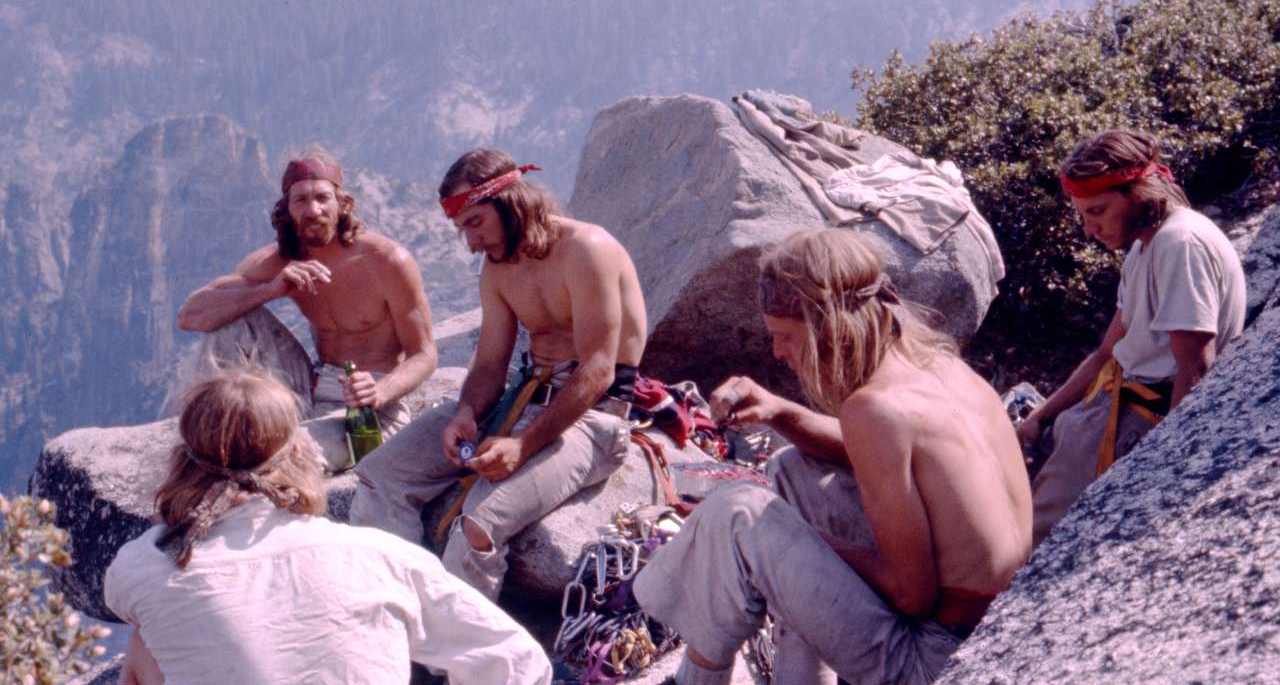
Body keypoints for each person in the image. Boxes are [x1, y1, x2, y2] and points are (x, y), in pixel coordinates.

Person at [632, 228, 1032, 685]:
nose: (779, 353)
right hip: (997, 629)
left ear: (831, 324)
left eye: (785, 336)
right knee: (792, 467)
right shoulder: (943, 368)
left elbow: (911, 595)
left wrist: (799, 542)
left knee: (737, 512)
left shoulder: (874, 410)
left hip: (935, 661)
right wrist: (781, 413)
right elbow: (895, 462)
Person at [104, 367, 552, 685]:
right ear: (299, 452)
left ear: (183, 460)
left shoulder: (145, 563)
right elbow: (517, 661)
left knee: (149, 635)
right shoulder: (378, 556)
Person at [349, 149, 648, 601]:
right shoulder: (498, 271)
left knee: (479, 525)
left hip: (593, 419)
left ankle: (466, 664)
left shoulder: (587, 249)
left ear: (510, 201)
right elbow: (490, 364)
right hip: (520, 400)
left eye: (475, 223)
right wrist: (466, 412)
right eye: (462, 229)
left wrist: (523, 445)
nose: (471, 243)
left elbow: (599, 369)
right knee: (381, 475)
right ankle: (403, 618)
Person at [1015, 130, 1246, 546]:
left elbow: (1195, 366)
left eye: (1098, 211)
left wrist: (1165, 467)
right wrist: (1040, 418)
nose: (1089, 229)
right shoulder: (1145, 247)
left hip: (1139, 416)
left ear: (1139, 190)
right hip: (1115, 398)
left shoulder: (1180, 243)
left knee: (1030, 536)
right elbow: (1107, 350)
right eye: (1084, 215)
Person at [176, 148, 436, 471]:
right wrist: (270, 290)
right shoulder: (283, 259)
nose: (313, 210)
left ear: (343, 204)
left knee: (280, 461)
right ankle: (210, 433)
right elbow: (191, 315)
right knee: (233, 320)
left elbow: (424, 354)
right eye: (301, 200)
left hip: (369, 410)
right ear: (287, 210)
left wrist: (379, 391)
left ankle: (252, 452)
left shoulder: (387, 261)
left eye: (322, 198)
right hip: (308, 388)